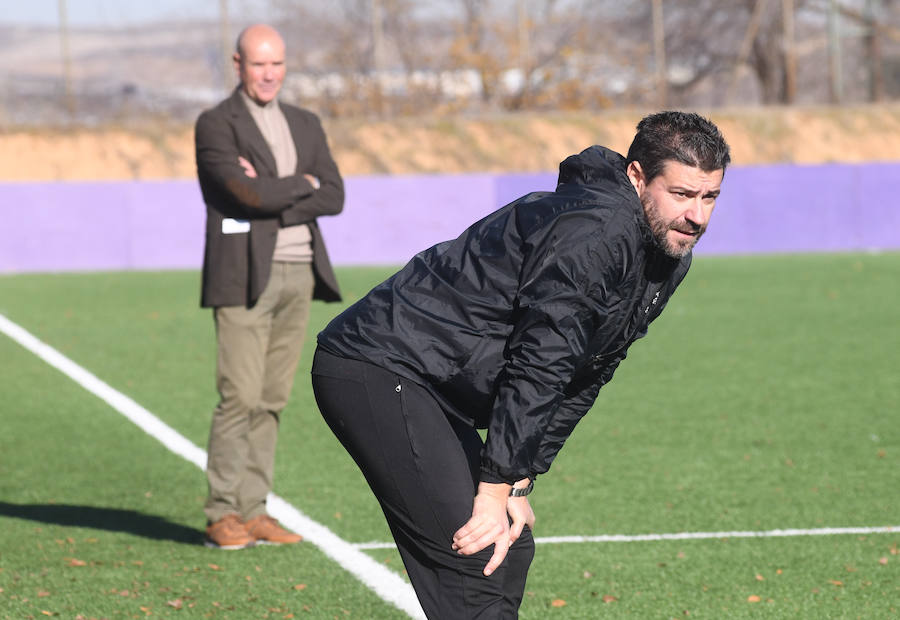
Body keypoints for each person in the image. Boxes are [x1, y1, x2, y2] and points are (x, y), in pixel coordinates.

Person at [311, 111, 730, 617]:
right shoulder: (595, 232)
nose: (697, 217)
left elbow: (591, 369)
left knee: (510, 548)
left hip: (434, 382)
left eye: (710, 197)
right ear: (637, 176)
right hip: (380, 365)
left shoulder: (665, 254)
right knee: (476, 553)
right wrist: (493, 486)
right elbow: (542, 362)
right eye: (682, 194)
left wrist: (518, 478)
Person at [195, 23, 344, 549]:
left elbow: (334, 195)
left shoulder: (304, 123)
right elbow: (241, 193)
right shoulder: (216, 124)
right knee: (239, 395)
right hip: (243, 276)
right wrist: (297, 186)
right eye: (259, 64)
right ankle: (222, 512)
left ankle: (255, 509)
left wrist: (271, 193)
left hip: (298, 273)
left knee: (273, 398)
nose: (268, 74)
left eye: (276, 63)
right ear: (238, 64)